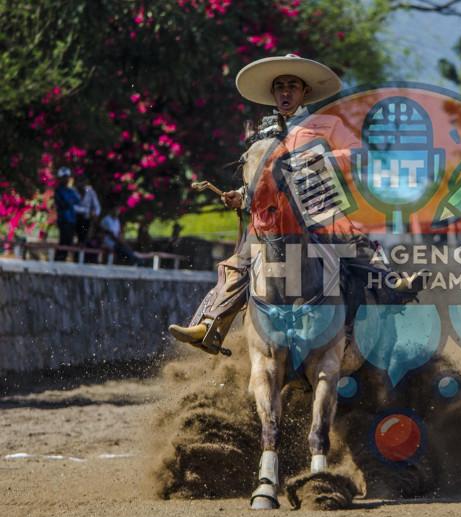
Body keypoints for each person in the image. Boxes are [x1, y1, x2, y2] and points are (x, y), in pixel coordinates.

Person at [168, 54, 417, 355]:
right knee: (235, 266)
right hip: (271, 223)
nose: (285, 92)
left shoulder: (327, 124)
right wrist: (241, 195)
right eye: (280, 87)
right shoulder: (262, 136)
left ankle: (391, 286)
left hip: (321, 213)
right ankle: (209, 325)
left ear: (304, 92)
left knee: (358, 249)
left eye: (292, 86)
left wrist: (323, 158)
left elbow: (360, 156)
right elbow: (259, 180)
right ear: (274, 94)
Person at [53, 167, 81, 261]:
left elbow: (78, 201)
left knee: (69, 241)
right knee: (64, 241)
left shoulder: (71, 191)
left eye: (67, 177)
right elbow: (62, 204)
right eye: (64, 177)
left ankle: (62, 260)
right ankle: (58, 260)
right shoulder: (58, 190)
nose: (66, 179)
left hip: (72, 220)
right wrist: (69, 202)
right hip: (64, 220)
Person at [74, 175, 102, 246]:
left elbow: (97, 206)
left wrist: (95, 213)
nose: (81, 184)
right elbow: (73, 207)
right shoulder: (73, 192)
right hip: (76, 219)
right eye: (79, 182)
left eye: (83, 182)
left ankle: (88, 240)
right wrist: (87, 211)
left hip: (88, 220)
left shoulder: (90, 192)